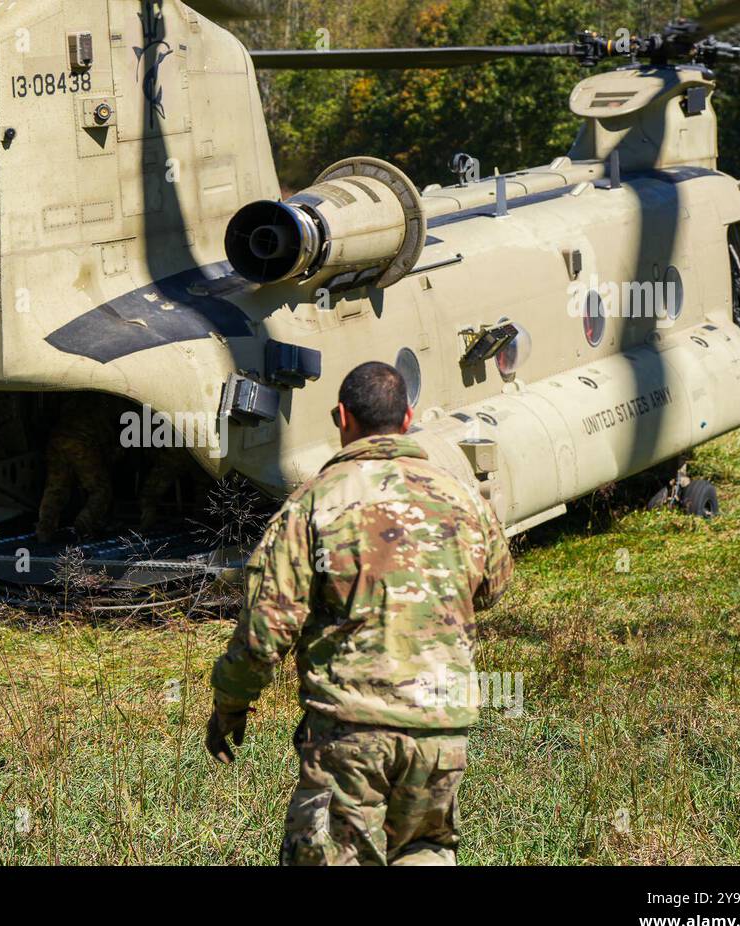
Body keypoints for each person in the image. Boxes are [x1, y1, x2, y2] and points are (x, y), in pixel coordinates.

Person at [206, 361, 513, 865]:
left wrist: (230, 705)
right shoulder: (461, 499)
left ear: (341, 417)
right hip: (441, 734)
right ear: (409, 417)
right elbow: (494, 587)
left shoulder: (312, 504)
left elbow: (265, 632)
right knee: (425, 849)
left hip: (352, 733)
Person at [36, 393, 127, 542]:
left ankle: (44, 530)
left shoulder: (76, 397)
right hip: (81, 443)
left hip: (57, 440)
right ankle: (82, 528)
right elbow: (106, 436)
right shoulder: (106, 403)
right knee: (101, 489)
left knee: (55, 488)